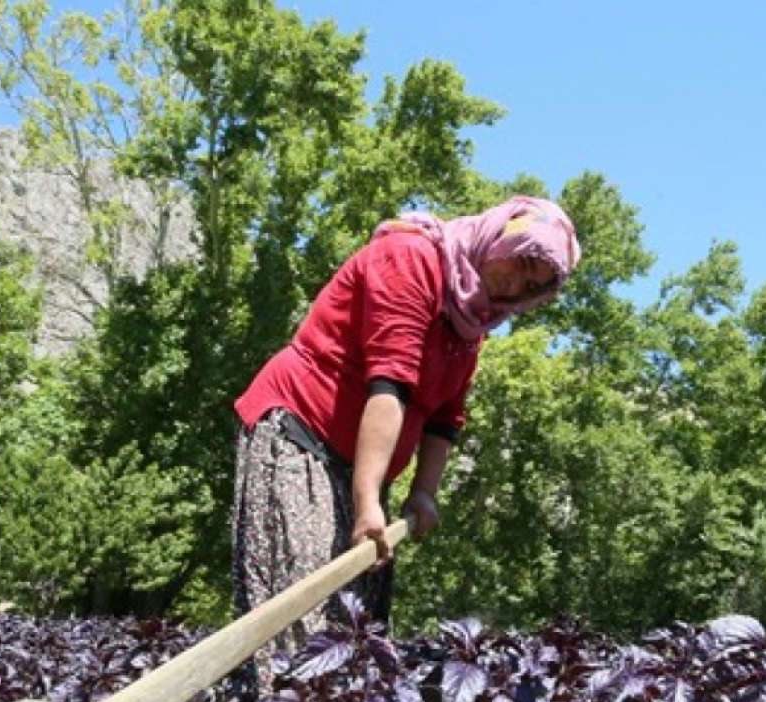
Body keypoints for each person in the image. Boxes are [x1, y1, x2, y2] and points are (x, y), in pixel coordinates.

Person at [231, 195, 581, 656]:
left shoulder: (471, 319)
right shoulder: (411, 257)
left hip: (359, 466)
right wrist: (368, 504)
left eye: (530, 286)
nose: (514, 284)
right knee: (302, 611)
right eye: (520, 263)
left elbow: (444, 418)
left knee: (356, 627)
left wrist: (423, 492)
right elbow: (390, 382)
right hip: (300, 431)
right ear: (500, 239)